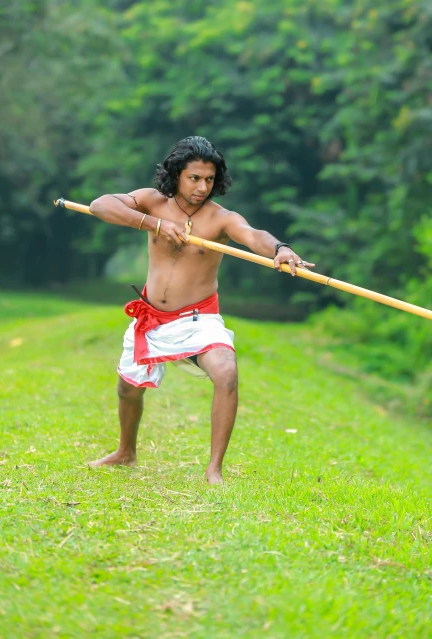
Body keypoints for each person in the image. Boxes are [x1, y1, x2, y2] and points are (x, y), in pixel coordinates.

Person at [88, 136, 314, 484]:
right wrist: (156, 224)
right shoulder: (152, 202)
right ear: (177, 174)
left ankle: (214, 469)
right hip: (152, 317)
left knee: (226, 371)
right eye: (194, 178)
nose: (202, 187)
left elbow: (254, 236)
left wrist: (280, 249)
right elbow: (100, 206)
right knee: (127, 389)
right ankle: (126, 453)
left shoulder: (221, 219)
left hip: (198, 318)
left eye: (209, 179)